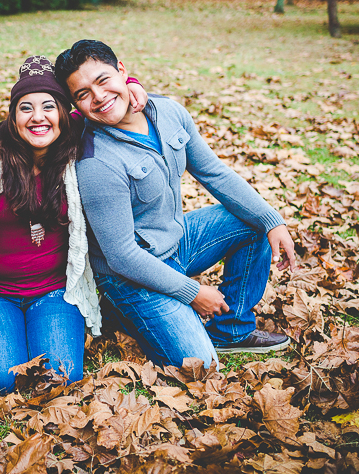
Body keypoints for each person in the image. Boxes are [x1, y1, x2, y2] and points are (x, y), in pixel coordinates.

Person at [0, 57, 149, 392]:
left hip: (54, 291)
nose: (37, 117)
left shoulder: (75, 137)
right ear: (12, 116)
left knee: (61, 377)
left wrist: (130, 82)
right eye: (25, 107)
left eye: (48, 106)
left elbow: (105, 100)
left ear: (63, 113)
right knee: (4, 379)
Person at [54, 40, 297, 368]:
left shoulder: (167, 112)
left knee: (251, 220)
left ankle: (232, 331)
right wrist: (192, 293)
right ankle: (121, 308)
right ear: (77, 106)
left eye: (102, 80)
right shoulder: (95, 161)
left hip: (177, 241)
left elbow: (215, 173)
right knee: (201, 365)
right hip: (129, 273)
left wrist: (272, 220)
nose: (97, 96)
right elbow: (122, 257)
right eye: (83, 94)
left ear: (122, 71)